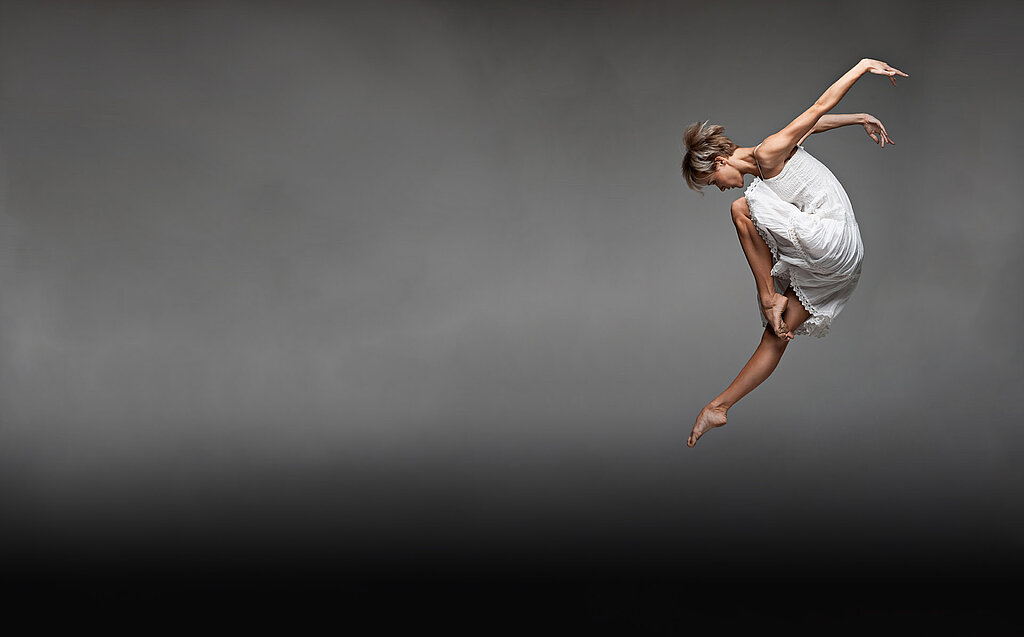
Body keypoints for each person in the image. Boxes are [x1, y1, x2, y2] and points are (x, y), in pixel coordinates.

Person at [680, 58, 908, 448]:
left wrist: (862, 67)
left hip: (832, 237)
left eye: (714, 180)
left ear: (720, 161)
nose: (720, 186)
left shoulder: (769, 152)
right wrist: (860, 117)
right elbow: (814, 124)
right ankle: (718, 407)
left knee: (740, 208)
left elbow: (818, 107)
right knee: (777, 334)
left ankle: (769, 297)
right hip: (841, 259)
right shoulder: (771, 154)